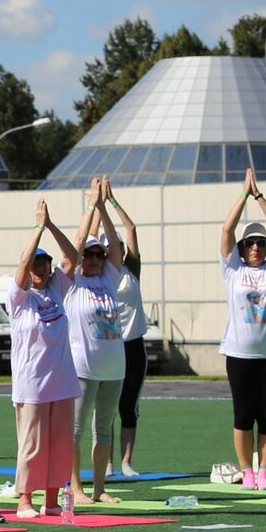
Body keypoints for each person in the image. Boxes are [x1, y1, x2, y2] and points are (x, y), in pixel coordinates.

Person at [218, 166, 266, 491]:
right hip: (239, 353)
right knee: (243, 416)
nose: (256, 248)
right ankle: (247, 471)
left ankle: (264, 473)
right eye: (250, 244)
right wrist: (242, 196)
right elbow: (226, 229)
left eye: (261, 243)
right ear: (243, 249)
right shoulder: (233, 270)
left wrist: (258, 196)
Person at [9, 200, 82, 518]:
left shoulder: (57, 288)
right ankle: (25, 499)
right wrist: (38, 227)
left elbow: (73, 257)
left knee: (60, 445)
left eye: (44, 264)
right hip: (32, 383)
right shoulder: (20, 297)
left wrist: (51, 225)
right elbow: (24, 261)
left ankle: (52, 500)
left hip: (61, 380)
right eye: (35, 266)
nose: (39, 270)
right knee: (33, 445)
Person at [67, 178, 127, 504]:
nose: (93, 259)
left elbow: (115, 245)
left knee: (104, 430)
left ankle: (99, 488)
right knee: (75, 431)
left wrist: (104, 208)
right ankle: (75, 488)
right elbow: (76, 244)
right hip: (83, 368)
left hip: (114, 368)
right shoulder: (74, 281)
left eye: (98, 254)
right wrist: (90, 204)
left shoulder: (108, 277)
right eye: (88, 254)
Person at [104, 185, 150, 477]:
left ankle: (126, 462)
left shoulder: (131, 270)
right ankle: (106, 463)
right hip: (109, 348)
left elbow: (131, 227)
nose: (117, 251)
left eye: (119, 246)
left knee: (128, 405)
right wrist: (96, 209)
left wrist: (111, 201)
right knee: (106, 407)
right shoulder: (99, 273)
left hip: (134, 347)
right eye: (111, 248)